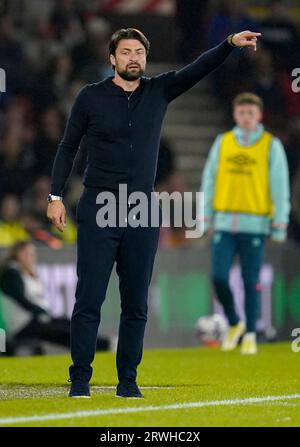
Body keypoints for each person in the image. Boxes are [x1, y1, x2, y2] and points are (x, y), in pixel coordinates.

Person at [47, 28, 261, 398]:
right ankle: (80, 379)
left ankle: (127, 381)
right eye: (126, 52)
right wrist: (55, 195)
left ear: (145, 59)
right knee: (89, 299)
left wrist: (228, 46)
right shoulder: (90, 97)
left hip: (142, 210)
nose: (134, 58)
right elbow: (67, 147)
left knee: (136, 303)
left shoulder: (159, 90)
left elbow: (198, 69)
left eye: (139, 53)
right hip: (99, 206)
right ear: (111, 59)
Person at [201, 92, 290, 355]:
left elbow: (280, 186)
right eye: (242, 113)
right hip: (225, 223)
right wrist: (205, 216)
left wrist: (280, 223)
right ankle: (235, 322)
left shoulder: (270, 145)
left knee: (251, 281)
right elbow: (209, 180)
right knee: (218, 277)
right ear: (235, 115)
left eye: (251, 113)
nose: (246, 118)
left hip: (255, 225)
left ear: (259, 116)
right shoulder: (223, 142)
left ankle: (250, 333)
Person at [0, 241, 112, 354]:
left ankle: (102, 344)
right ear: (17, 254)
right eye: (26, 254)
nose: (30, 257)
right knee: (60, 332)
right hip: (22, 324)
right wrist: (40, 311)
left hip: (32, 320)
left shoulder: (24, 272)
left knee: (66, 324)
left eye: (31, 254)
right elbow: (21, 298)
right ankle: (104, 345)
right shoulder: (11, 274)